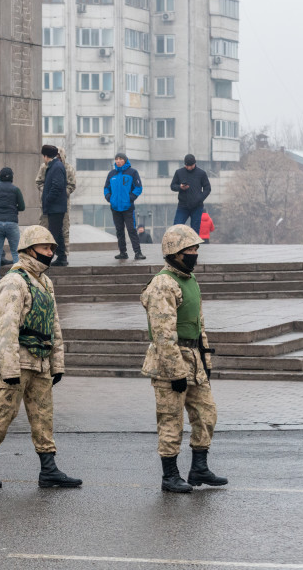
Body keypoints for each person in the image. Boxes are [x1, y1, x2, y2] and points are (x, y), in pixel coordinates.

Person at [0, 226, 81, 489]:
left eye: (52, 248)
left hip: (40, 360)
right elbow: (4, 327)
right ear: (30, 249)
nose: (51, 253)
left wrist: (57, 363)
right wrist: (9, 368)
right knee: (5, 412)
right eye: (45, 248)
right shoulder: (13, 281)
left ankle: (48, 468)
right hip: (19, 362)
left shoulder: (44, 281)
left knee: (43, 415)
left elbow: (54, 325)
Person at [141, 224, 227, 493]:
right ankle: (170, 475)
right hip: (170, 362)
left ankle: (199, 468)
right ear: (175, 252)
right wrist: (176, 372)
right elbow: (163, 333)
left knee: (206, 413)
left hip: (193, 358)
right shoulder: (163, 284)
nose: (195, 253)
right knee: (171, 419)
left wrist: (205, 362)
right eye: (189, 249)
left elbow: (199, 326)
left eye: (196, 248)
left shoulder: (189, 280)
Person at [0, 167, 25, 286]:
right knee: (15, 252)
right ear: (12, 177)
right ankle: (19, 275)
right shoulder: (16, 190)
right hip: (12, 223)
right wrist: (13, 208)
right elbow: (22, 207)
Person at [104, 153, 145, 260]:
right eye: (116, 159)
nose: (118, 161)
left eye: (120, 159)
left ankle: (138, 252)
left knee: (131, 230)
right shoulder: (111, 174)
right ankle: (123, 252)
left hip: (128, 208)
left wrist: (130, 198)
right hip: (115, 208)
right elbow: (106, 188)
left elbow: (138, 188)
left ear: (125, 160)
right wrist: (109, 198)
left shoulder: (132, 172)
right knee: (119, 231)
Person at [37, 146, 77, 253]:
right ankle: (56, 254)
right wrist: (45, 193)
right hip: (49, 203)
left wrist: (53, 195)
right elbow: (39, 182)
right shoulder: (45, 167)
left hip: (59, 203)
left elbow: (70, 185)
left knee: (62, 229)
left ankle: (62, 253)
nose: (58, 158)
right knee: (46, 227)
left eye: (60, 156)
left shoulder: (64, 167)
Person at [40, 145, 69, 267]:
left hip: (55, 207)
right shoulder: (54, 166)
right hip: (55, 206)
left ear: (46, 156)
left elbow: (56, 187)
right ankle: (62, 257)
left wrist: (47, 200)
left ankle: (47, 259)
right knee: (58, 234)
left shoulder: (56, 167)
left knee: (52, 234)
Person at [170, 154, 211, 235]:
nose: (188, 167)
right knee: (176, 227)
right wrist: (180, 187)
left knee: (195, 231)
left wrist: (200, 198)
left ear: (194, 164)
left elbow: (207, 188)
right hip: (183, 206)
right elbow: (172, 186)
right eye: (187, 165)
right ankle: (178, 246)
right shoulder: (179, 172)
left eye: (190, 166)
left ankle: (193, 247)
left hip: (197, 207)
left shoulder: (201, 173)